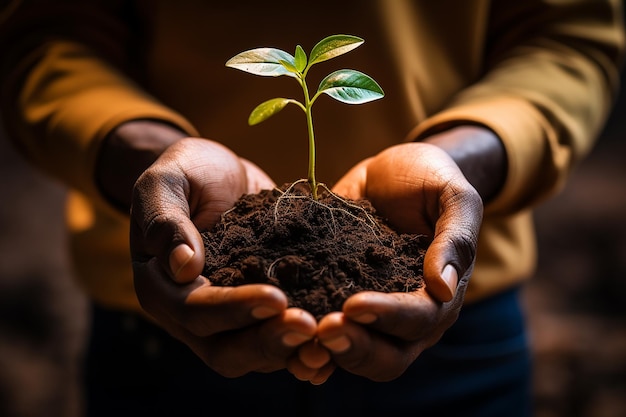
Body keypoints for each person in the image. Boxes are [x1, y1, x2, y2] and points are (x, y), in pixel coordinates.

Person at [0, 1, 623, 416]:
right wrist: (147, 157)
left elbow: (568, 37)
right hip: (165, 324)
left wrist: (465, 159)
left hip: (453, 329)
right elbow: (47, 35)